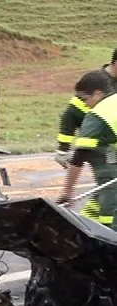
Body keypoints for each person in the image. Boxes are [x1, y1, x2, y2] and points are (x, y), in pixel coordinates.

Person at [57, 70, 117, 229]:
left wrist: (68, 191)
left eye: (84, 99)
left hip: (111, 178)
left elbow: (79, 156)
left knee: (108, 218)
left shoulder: (98, 115)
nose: (84, 104)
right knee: (94, 210)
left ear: (98, 94)